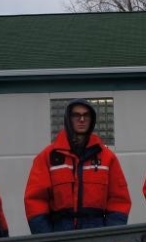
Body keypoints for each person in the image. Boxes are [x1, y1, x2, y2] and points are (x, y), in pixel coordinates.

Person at [24, 99, 131, 233]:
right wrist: (46, 237)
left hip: (97, 232)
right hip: (59, 233)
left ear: (92, 120)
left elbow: (119, 200)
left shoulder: (107, 157)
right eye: (76, 115)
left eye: (86, 115)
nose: (82, 119)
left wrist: (110, 234)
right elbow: (35, 200)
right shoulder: (47, 157)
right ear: (68, 119)